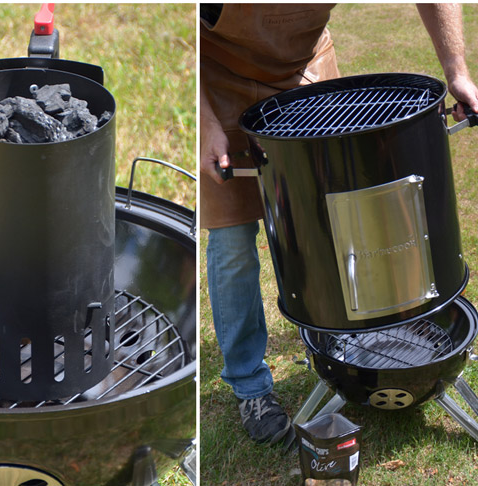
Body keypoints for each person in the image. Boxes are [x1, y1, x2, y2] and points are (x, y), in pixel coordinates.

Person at [200, 3, 478, 445]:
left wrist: (456, 68)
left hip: (304, 69)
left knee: (345, 212)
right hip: (215, 77)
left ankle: (376, 333)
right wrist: (204, 123)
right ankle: (250, 386)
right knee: (233, 238)